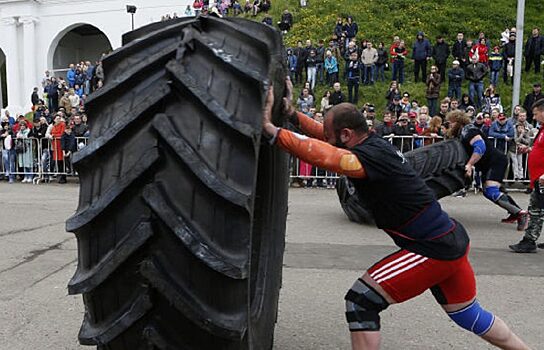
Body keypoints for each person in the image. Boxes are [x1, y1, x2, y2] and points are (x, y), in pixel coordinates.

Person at [262, 80, 530, 350]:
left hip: (432, 247)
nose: (328, 138)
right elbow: (324, 136)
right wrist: (292, 115)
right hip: (449, 237)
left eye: (333, 136)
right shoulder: (370, 141)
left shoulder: (365, 159)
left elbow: (331, 158)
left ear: (346, 135)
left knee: (360, 301)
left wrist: (273, 132)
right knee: (468, 314)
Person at [447, 111, 528, 231]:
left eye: (451, 123)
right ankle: (515, 212)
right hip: (489, 163)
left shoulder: (469, 131)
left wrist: (469, 165)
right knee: (488, 192)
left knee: (491, 191)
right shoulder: (464, 131)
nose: (449, 126)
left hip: (495, 162)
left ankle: (521, 214)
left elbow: (480, 147)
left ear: (457, 122)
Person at [510, 99, 544, 253]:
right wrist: (530, 150)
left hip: (542, 178)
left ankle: (529, 241)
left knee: (536, 210)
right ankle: (529, 240)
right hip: (538, 178)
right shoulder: (542, 129)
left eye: (536, 114)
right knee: (536, 208)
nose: (534, 117)